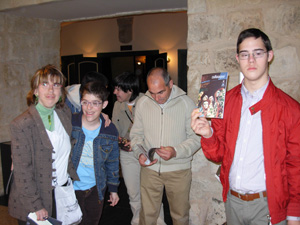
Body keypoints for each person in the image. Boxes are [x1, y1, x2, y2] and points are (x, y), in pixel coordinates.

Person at [191, 28, 300, 225]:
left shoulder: (291, 109)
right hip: (232, 203)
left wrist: (294, 215)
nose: (251, 60)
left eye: (258, 53)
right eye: (244, 54)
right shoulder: (225, 101)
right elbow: (217, 156)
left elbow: (296, 166)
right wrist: (208, 134)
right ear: (237, 58)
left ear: (269, 56)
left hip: (268, 206)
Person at [8, 65, 79, 224]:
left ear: (61, 91)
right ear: (35, 91)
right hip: (35, 198)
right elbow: (23, 173)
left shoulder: (64, 113)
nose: (51, 90)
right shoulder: (22, 124)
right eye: (44, 84)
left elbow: (86, 115)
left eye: (56, 85)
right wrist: (36, 205)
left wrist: (102, 117)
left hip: (61, 192)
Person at [130, 67, 201, 225]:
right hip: (150, 170)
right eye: (152, 92)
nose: (156, 98)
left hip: (178, 170)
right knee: (147, 216)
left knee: (180, 216)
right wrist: (139, 154)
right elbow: (136, 135)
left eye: (160, 92)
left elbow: (196, 138)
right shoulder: (142, 103)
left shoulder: (186, 103)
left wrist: (175, 151)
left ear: (170, 83)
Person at [112, 72, 166, 225]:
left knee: (152, 192)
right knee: (133, 192)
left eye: (118, 89)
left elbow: (157, 127)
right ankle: (137, 220)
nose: (115, 92)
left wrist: (138, 142)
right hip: (127, 155)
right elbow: (116, 131)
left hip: (146, 152)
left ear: (130, 90)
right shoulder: (117, 105)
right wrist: (123, 142)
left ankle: (159, 221)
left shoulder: (149, 100)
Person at [71, 81, 120, 225]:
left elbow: (112, 162)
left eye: (95, 103)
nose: (89, 108)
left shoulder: (110, 131)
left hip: (95, 188)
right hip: (70, 188)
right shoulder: (71, 122)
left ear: (104, 105)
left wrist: (113, 189)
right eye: (85, 102)